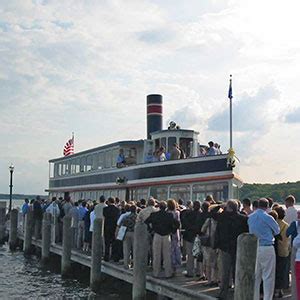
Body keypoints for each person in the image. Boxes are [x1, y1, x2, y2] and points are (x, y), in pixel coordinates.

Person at [214, 200, 248, 299]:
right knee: (236, 271)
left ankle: (223, 293)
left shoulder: (222, 217)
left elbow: (211, 213)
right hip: (238, 247)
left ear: (228, 207)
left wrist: (219, 205)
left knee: (225, 272)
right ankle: (237, 292)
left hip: (225, 248)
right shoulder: (243, 218)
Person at [248, 198, 280, 300]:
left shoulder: (250, 217)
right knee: (268, 277)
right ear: (267, 206)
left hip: (254, 248)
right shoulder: (268, 218)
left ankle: (255, 297)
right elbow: (277, 231)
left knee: (256, 276)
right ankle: (267, 298)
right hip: (267, 247)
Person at [145, 201, 179, 278]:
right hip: (167, 236)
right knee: (167, 256)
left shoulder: (154, 215)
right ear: (166, 207)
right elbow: (177, 224)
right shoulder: (169, 215)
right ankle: (168, 273)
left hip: (157, 235)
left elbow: (146, 221)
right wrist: (172, 231)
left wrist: (151, 229)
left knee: (156, 255)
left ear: (159, 207)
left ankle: (156, 273)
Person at [181, 200, 202, 277]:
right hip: (199, 236)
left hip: (189, 236)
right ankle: (199, 272)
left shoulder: (188, 214)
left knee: (190, 255)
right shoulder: (201, 215)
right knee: (199, 255)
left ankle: (190, 272)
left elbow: (185, 223)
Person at [273, 206, 290, 298]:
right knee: (282, 271)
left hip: (274, 250)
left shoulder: (273, 224)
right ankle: (280, 290)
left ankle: (273, 289)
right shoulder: (286, 225)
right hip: (283, 250)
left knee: (274, 270)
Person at [103, 197, 120, 262]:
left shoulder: (105, 209)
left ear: (109, 202)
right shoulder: (117, 210)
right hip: (114, 227)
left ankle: (106, 257)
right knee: (114, 242)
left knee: (107, 243)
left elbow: (104, 215)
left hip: (107, 227)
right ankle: (114, 257)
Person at [120, 205, 137, 269]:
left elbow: (122, 225)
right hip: (135, 234)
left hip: (127, 233)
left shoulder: (126, 217)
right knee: (135, 250)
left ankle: (126, 265)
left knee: (126, 250)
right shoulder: (138, 217)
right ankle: (135, 265)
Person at [167, 199, 182, 272]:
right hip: (176, 232)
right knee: (177, 247)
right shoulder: (177, 213)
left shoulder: (168, 213)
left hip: (170, 232)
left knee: (171, 249)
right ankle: (178, 262)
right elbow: (179, 223)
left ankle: (172, 263)